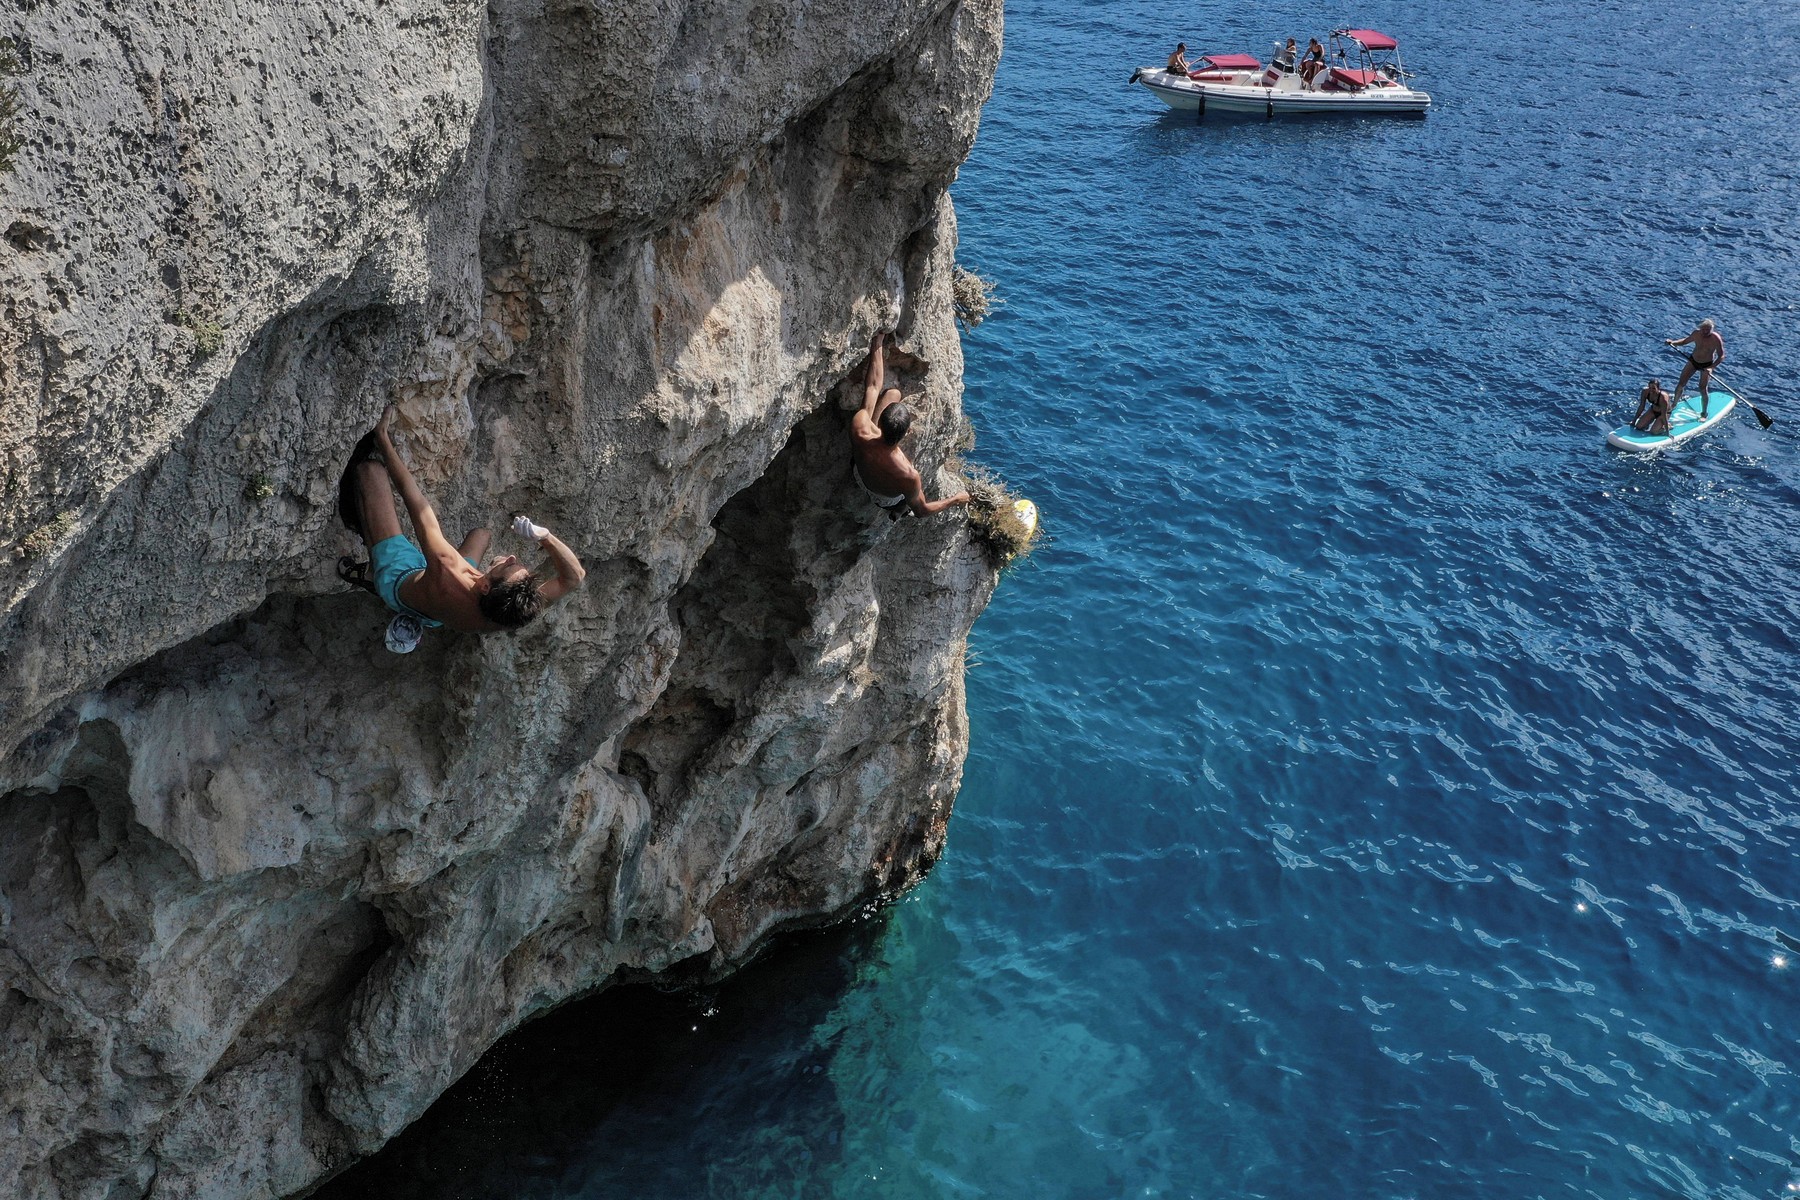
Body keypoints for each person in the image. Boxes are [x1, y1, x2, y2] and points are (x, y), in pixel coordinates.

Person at [340, 406, 585, 634]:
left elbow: (416, 503)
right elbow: (574, 578)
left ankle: (371, 571)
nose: (512, 558)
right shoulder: (509, 614)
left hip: (399, 578)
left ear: (486, 586)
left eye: (509, 565)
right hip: (434, 612)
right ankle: (420, 594)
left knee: (370, 471)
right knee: (481, 535)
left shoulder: (448, 567)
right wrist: (546, 538)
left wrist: (382, 438)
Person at [850, 331, 972, 519]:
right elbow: (922, 511)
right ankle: (899, 510)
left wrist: (877, 343)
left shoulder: (861, 427)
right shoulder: (908, 474)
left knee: (893, 395)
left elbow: (872, 386)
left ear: (880, 421)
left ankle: (898, 506)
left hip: (859, 471)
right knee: (910, 496)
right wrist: (956, 499)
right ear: (906, 433)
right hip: (881, 497)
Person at [1665, 319, 1724, 417]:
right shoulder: (1696, 334)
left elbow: (1721, 356)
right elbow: (1685, 341)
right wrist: (1673, 342)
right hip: (1693, 361)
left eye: (1708, 330)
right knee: (1681, 382)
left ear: (1712, 329)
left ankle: (1704, 412)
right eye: (1703, 329)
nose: (1705, 332)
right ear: (1700, 328)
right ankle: (1674, 404)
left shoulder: (1716, 338)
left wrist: (1711, 368)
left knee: (1702, 388)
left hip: (1707, 365)